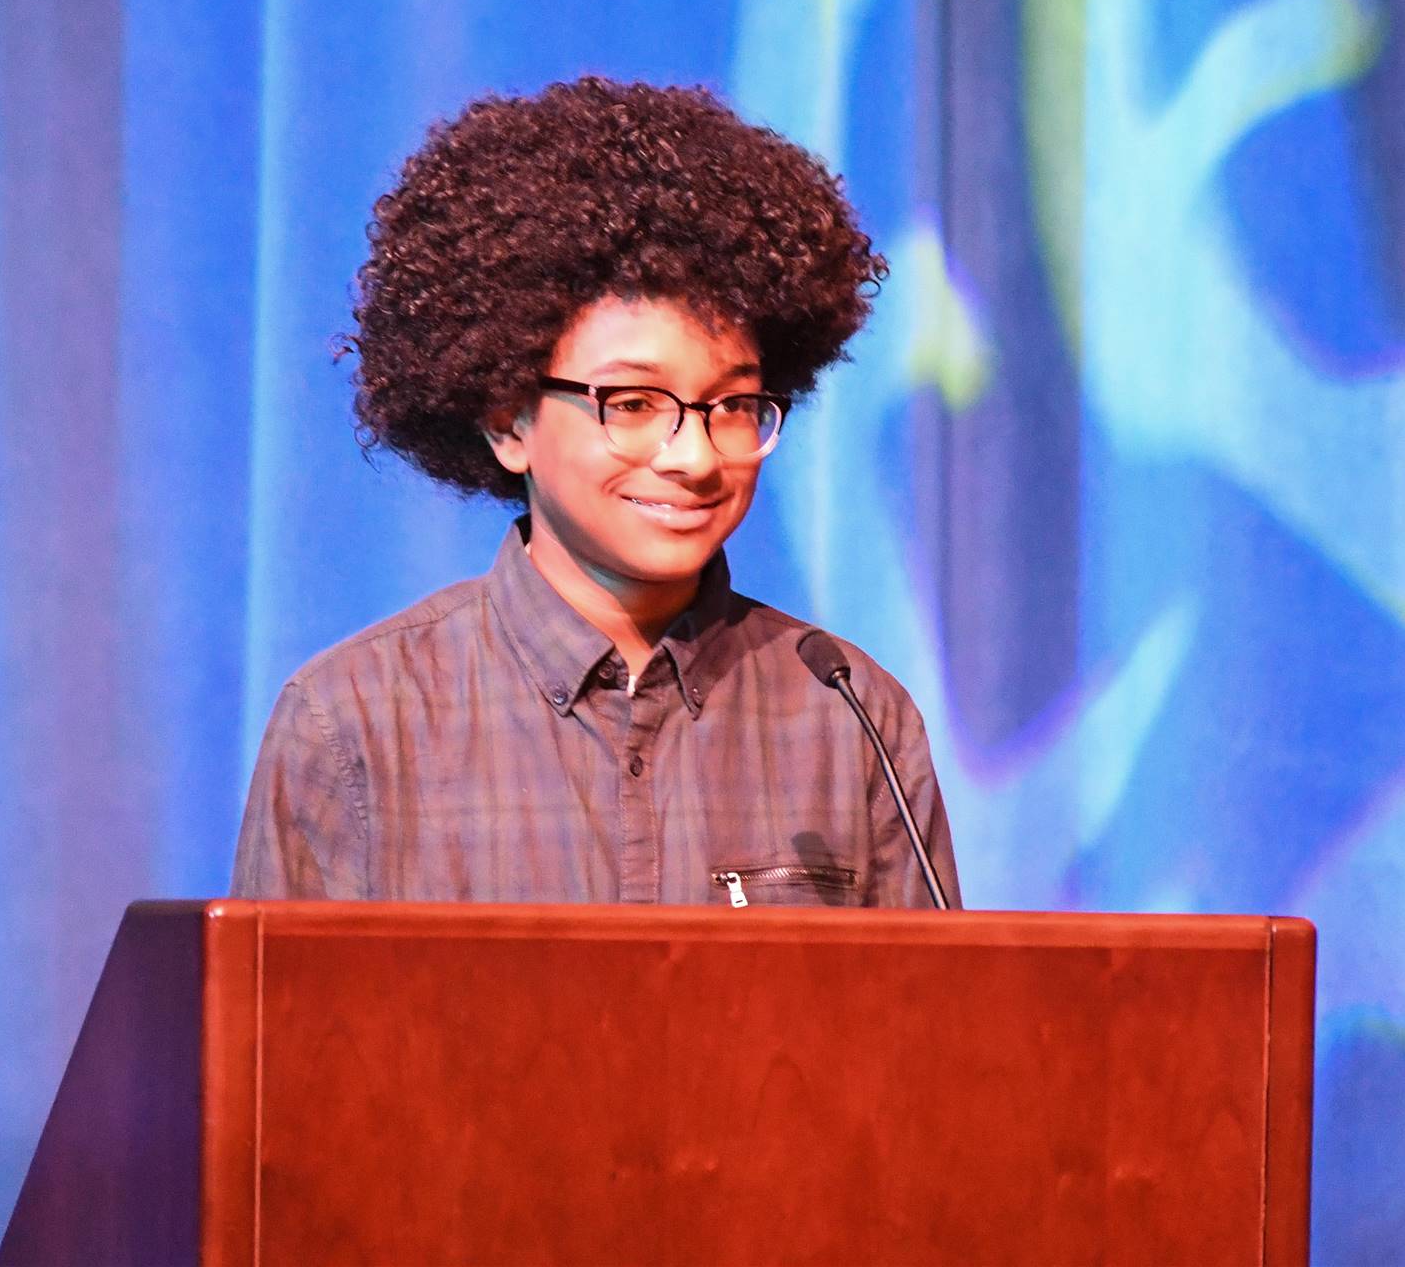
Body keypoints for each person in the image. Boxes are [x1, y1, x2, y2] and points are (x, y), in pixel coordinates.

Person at [232, 76, 960, 908]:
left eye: (731, 405)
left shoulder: (852, 717)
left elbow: (932, 1034)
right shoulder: (353, 723)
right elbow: (266, 1037)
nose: (692, 455)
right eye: (635, 403)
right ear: (509, 421)